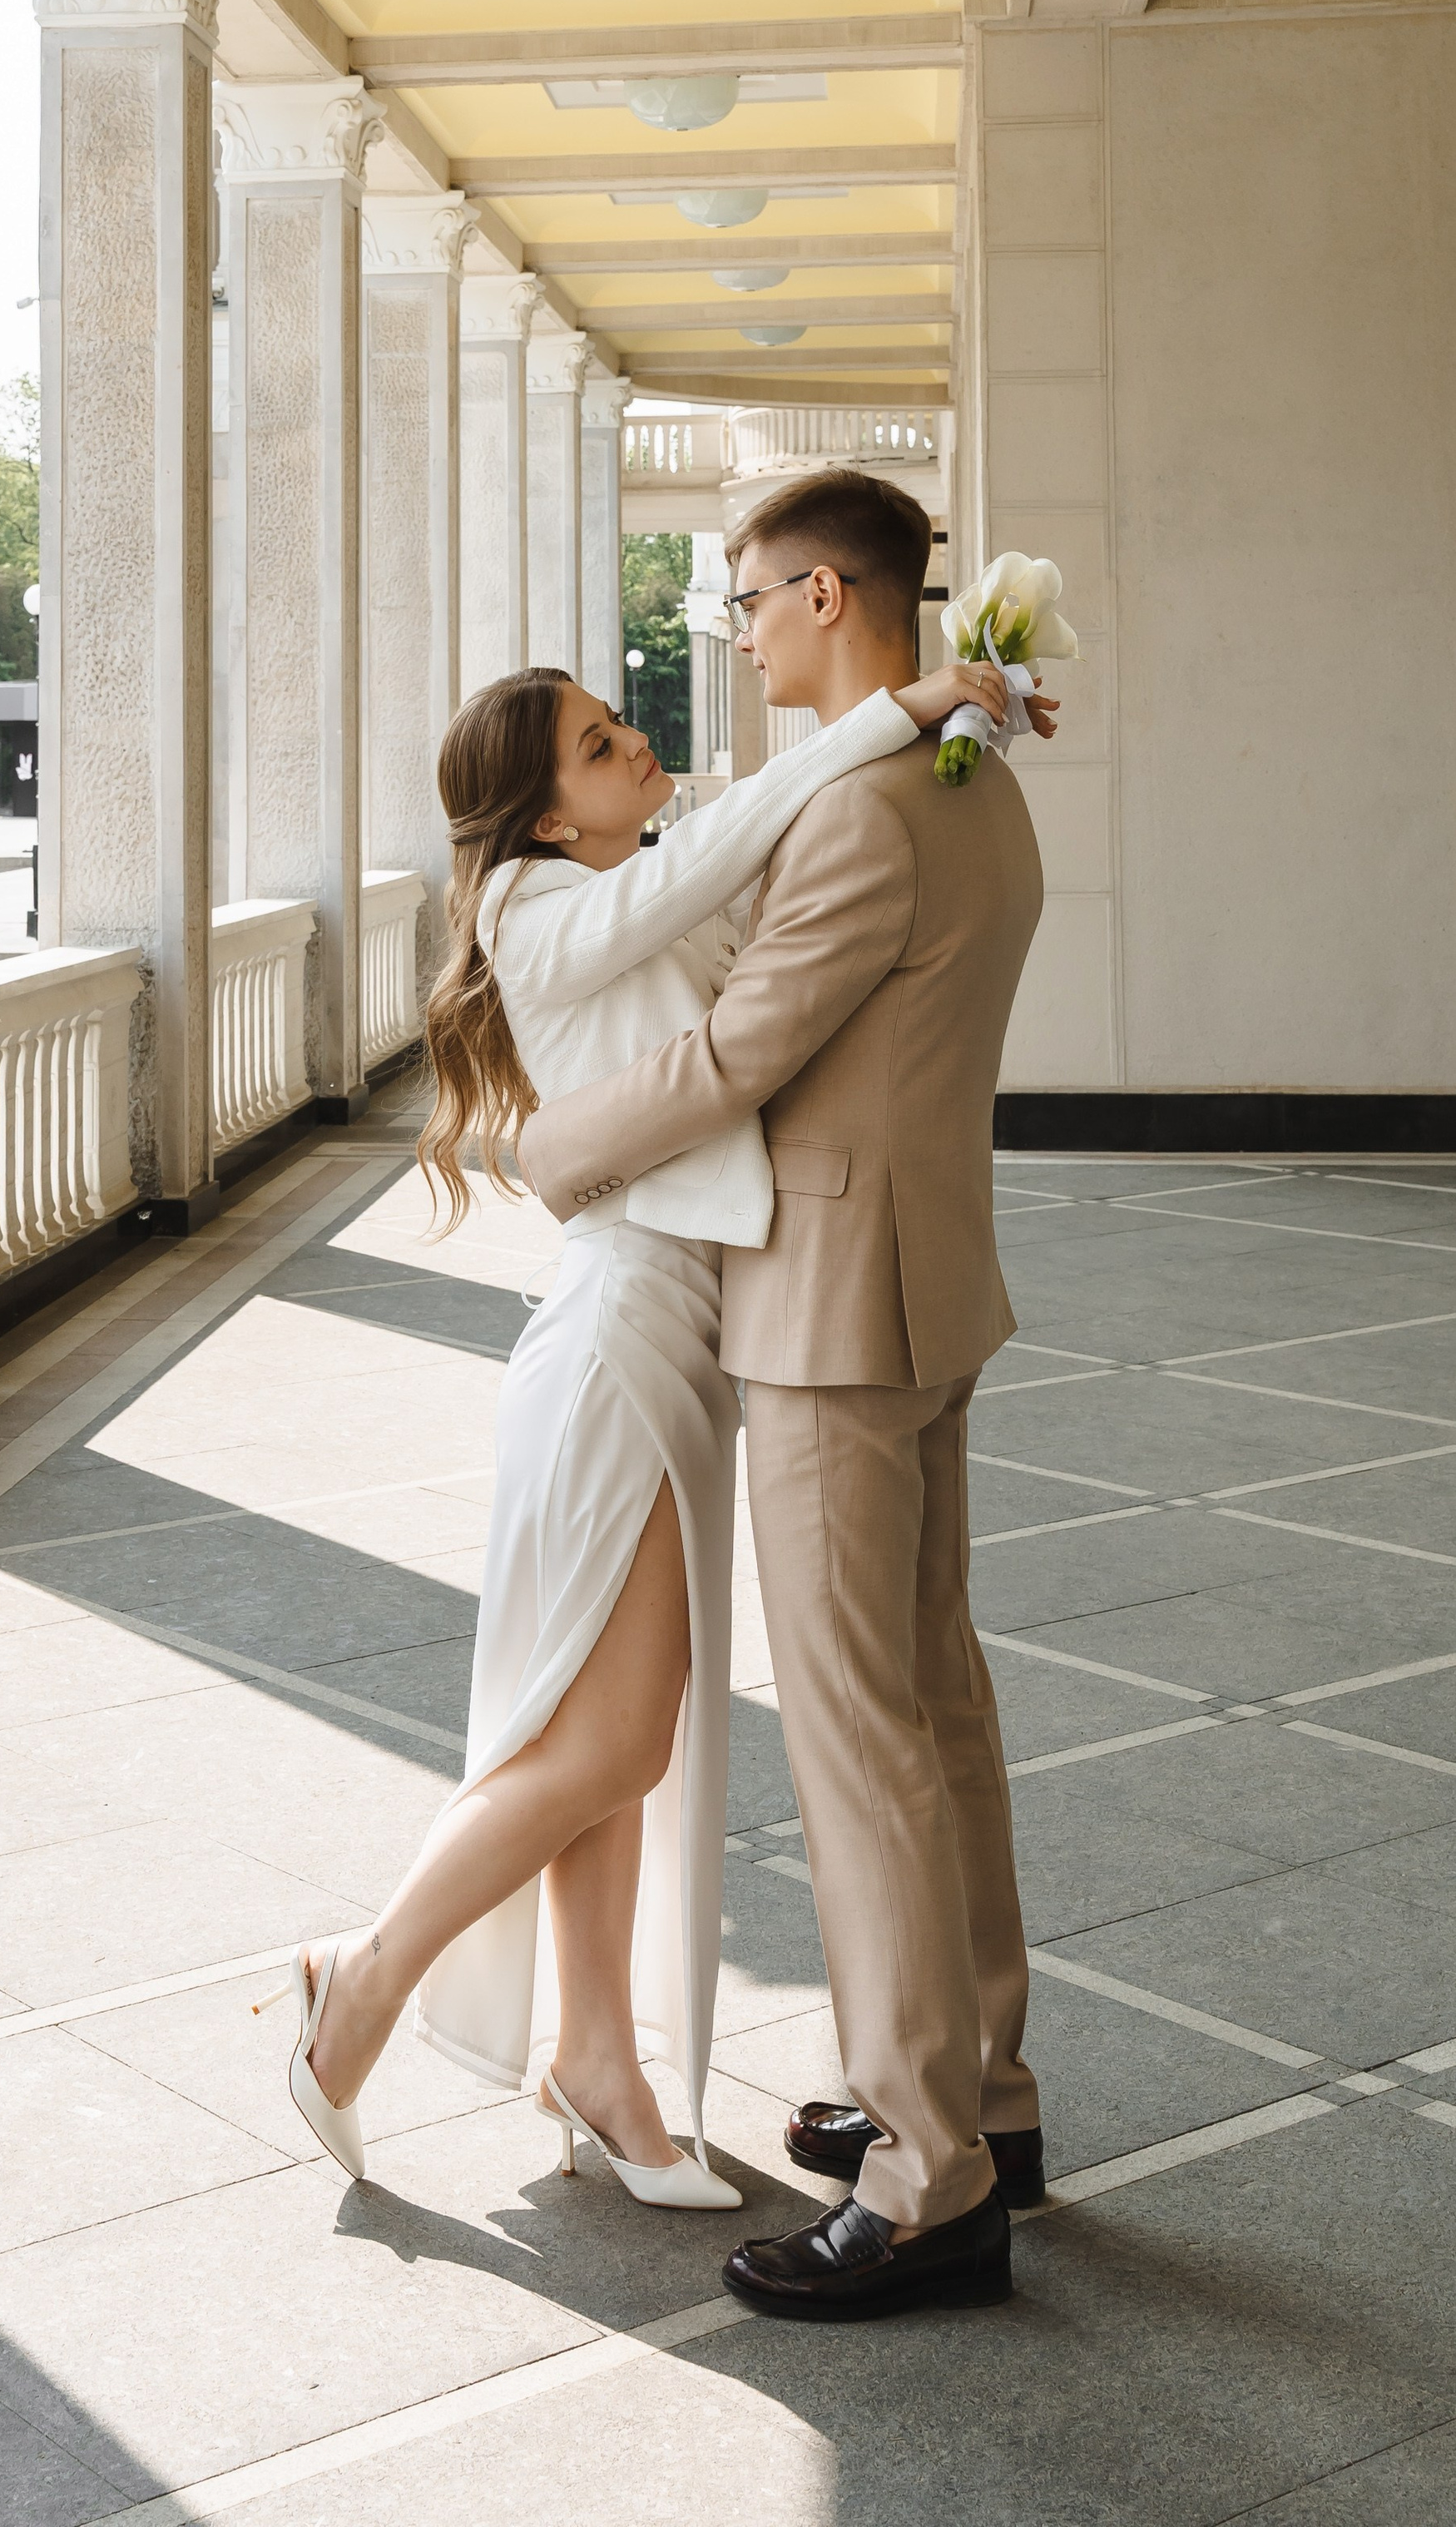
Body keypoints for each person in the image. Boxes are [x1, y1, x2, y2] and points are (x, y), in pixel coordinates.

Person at [276, 607, 1023, 2216]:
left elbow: (765, 867)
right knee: (609, 1736)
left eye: (621, 722)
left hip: (685, 1338)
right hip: (620, 1336)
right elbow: (752, 831)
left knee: (608, 1730)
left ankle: (597, 2059)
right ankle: (368, 1972)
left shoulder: (629, 884)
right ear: (548, 816)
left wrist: (962, 736)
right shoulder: (537, 905)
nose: (638, 744)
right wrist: (906, 705)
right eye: (600, 743)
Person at [517, 468, 1053, 2320]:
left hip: (831, 1309)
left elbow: (744, 1048)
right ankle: (980, 2095)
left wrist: (552, 1148)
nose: (732, 632)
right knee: (937, 1704)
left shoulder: (867, 812)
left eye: (742, 599)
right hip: (927, 1279)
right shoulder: (972, 780)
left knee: (860, 1740)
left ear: (826, 595)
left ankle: (924, 2178)